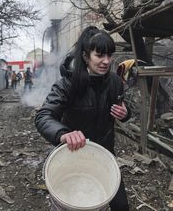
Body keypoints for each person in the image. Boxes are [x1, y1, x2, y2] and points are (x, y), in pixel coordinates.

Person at [35, 26, 131, 211]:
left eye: (109, 55)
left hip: (104, 156)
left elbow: (125, 109)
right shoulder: (68, 84)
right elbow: (43, 116)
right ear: (86, 56)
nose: (106, 61)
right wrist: (63, 134)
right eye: (99, 55)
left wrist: (126, 114)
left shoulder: (115, 83)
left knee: (121, 205)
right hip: (73, 155)